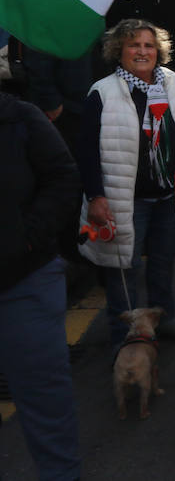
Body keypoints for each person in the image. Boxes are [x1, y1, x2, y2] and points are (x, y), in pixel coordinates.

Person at [76, 20, 175, 345]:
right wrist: (96, 196)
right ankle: (126, 337)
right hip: (123, 199)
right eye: (134, 45)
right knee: (123, 270)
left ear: (158, 50)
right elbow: (86, 150)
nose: (142, 51)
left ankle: (165, 318)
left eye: (148, 45)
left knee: (163, 263)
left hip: (169, 195)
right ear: (119, 51)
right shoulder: (102, 92)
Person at [0, 91, 82, 481]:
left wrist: (26, 238)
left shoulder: (19, 118)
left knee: (44, 399)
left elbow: (63, 178)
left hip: (24, 282)